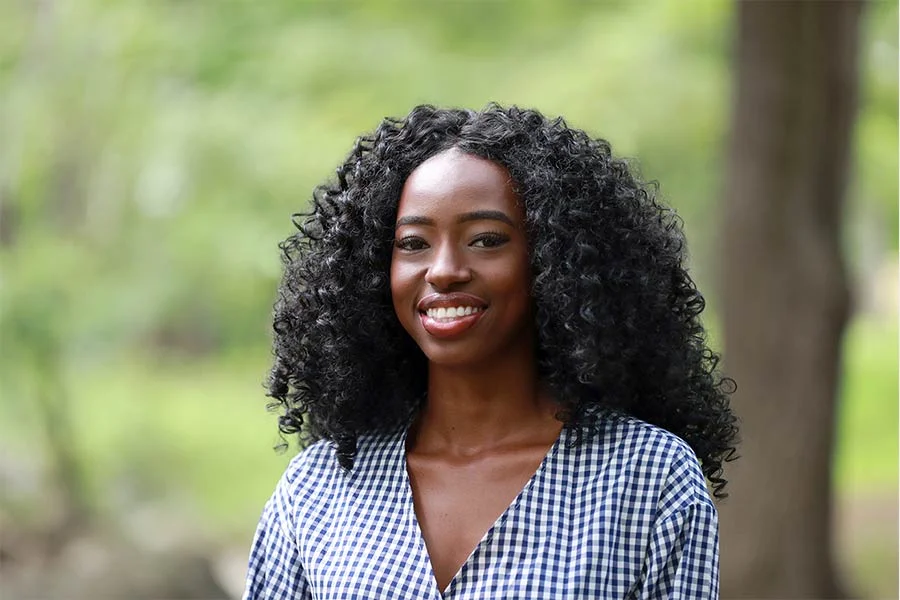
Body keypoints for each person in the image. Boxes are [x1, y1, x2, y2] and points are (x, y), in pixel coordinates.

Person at [243, 105, 738, 599]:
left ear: (553, 260)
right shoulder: (318, 488)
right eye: (413, 243)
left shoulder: (650, 478)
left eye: (485, 240)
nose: (444, 270)